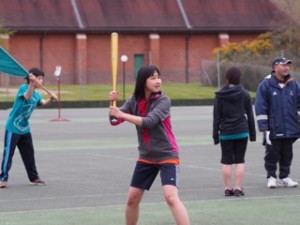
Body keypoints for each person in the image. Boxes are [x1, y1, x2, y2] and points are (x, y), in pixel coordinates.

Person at [109, 64, 190, 225]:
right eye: (152, 78)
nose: (157, 81)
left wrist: (122, 114)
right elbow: (115, 120)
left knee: (170, 197)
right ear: (143, 81)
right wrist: (112, 105)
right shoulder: (134, 100)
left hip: (167, 155)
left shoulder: (164, 100)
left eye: (159, 77)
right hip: (146, 157)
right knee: (132, 198)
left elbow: (149, 122)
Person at [0, 68, 57, 189]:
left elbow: (41, 102)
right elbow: (27, 96)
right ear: (32, 78)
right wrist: (31, 83)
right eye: (39, 78)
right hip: (13, 128)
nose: (41, 81)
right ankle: (3, 179)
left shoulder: (36, 95)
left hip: (25, 129)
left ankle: (34, 178)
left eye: (42, 79)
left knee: (29, 154)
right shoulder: (23, 88)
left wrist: (50, 99)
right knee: (8, 153)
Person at [255, 56, 299, 188]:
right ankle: (271, 177)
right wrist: (264, 128)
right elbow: (260, 107)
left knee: (287, 153)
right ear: (275, 67)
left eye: (288, 65)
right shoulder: (265, 85)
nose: (286, 68)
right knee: (272, 153)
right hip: (273, 128)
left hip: (290, 127)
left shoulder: (293, 84)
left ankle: (285, 176)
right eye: (283, 65)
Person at [213, 67, 256, 197]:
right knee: (239, 161)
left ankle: (227, 188)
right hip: (242, 131)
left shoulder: (220, 95)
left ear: (227, 78)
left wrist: (215, 135)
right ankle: (237, 188)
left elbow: (217, 116)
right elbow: (250, 114)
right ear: (239, 78)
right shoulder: (245, 94)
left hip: (226, 132)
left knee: (226, 161)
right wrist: (252, 134)